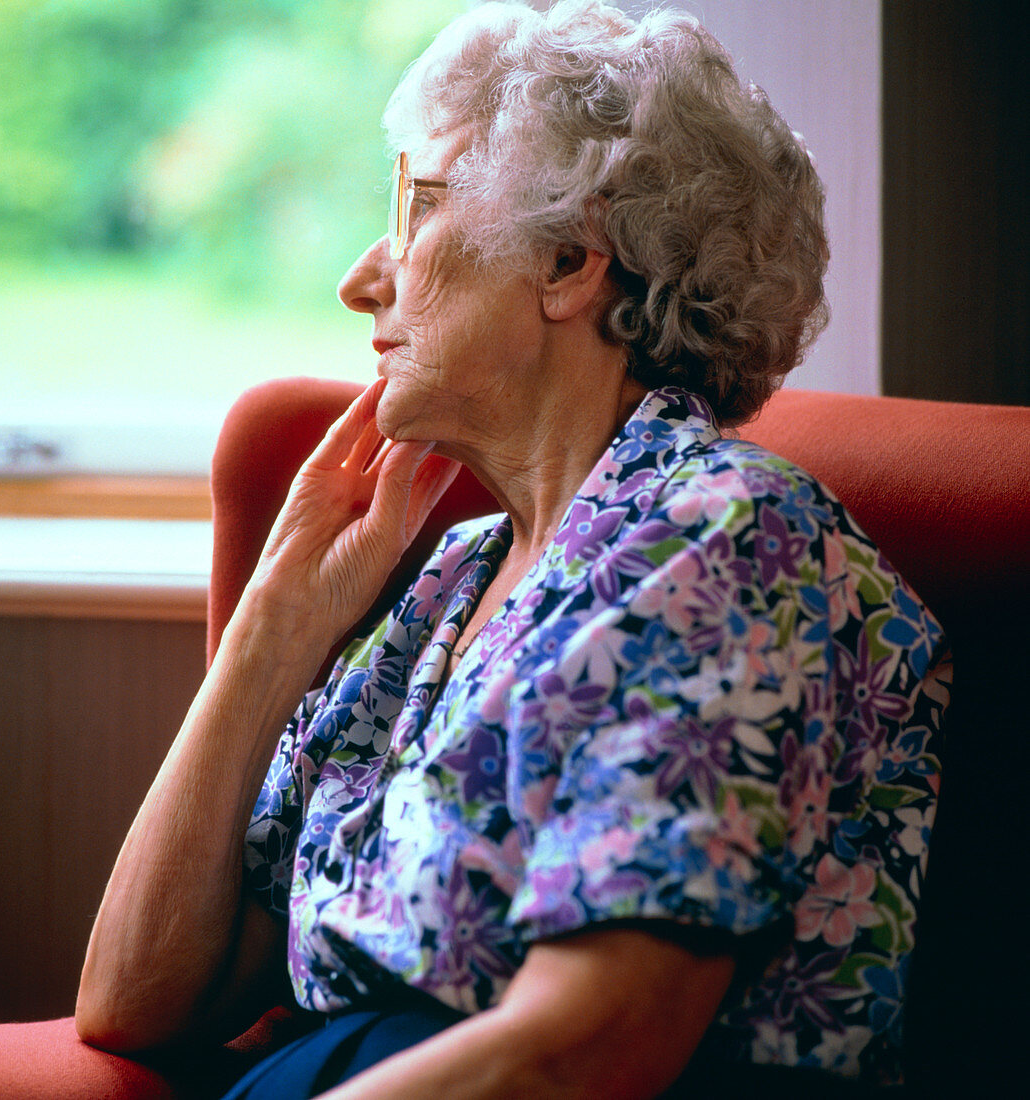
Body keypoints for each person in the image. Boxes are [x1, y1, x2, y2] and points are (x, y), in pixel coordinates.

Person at [76, 2, 949, 1096]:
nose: (361, 279)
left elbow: (588, 1046)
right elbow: (134, 996)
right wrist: (272, 626)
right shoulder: (446, 586)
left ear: (570, 260)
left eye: (417, 205)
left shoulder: (728, 541)